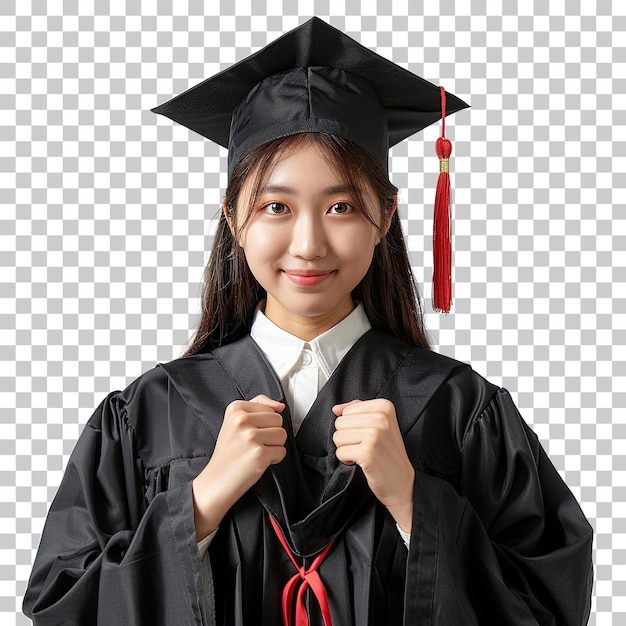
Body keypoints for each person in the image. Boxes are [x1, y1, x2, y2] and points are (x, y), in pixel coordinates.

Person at [23, 17, 593, 626]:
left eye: (342, 206)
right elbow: (63, 606)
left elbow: (550, 605)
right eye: (276, 206)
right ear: (234, 219)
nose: (309, 243)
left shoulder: (459, 410)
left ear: (385, 215)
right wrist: (200, 505)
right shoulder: (152, 412)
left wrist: (414, 503)